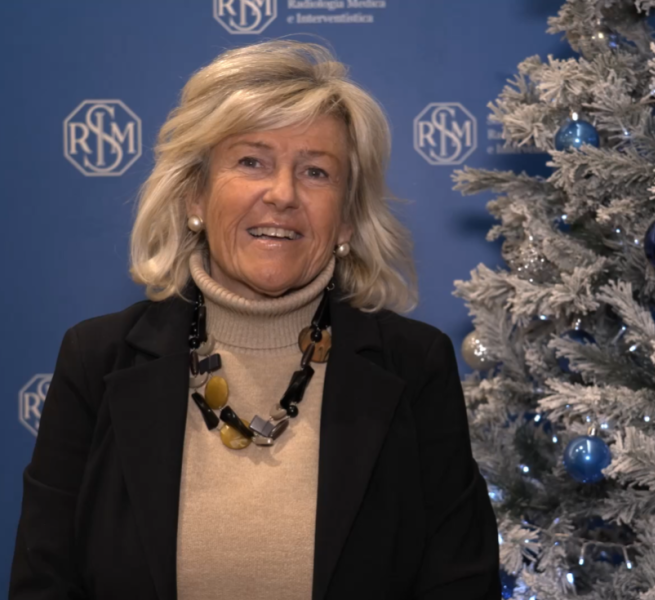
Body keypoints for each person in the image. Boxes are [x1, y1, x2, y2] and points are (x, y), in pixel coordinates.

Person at [9, 41, 500, 600]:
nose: (283, 194)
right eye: (252, 162)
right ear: (195, 195)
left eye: (316, 171)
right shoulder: (95, 360)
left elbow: (460, 583)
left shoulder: (414, 366)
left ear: (346, 219)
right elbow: (44, 583)